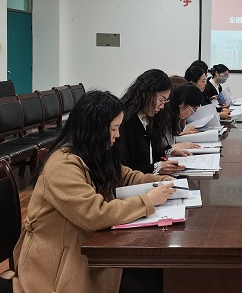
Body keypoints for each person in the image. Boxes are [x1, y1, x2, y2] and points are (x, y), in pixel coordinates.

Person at [12, 91, 177, 293]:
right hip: (58, 265)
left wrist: (160, 181)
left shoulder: (94, 152)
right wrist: (147, 201)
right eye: (113, 128)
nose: (117, 134)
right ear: (94, 129)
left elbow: (125, 175)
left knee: (153, 274)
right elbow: (95, 214)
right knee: (148, 279)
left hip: (86, 246)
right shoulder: (62, 165)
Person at [117, 69, 189, 175]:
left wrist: (169, 151)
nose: (162, 106)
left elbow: (151, 153)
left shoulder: (148, 119)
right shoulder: (124, 122)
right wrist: (155, 168)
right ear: (147, 93)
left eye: (165, 101)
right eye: (161, 100)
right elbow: (124, 169)